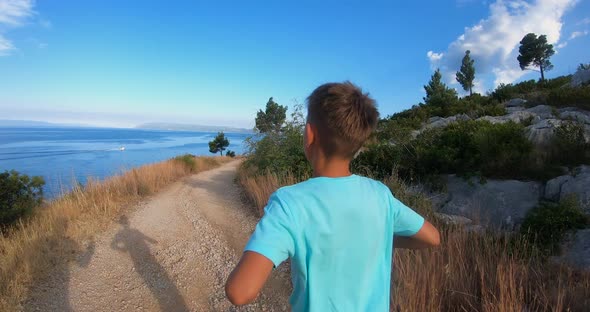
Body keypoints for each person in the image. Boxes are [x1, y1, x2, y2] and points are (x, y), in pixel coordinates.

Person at [225, 82, 440, 311]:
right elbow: (431, 237)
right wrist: (375, 236)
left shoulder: (289, 203)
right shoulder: (380, 194)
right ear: (358, 145)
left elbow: (240, 292)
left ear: (310, 134)